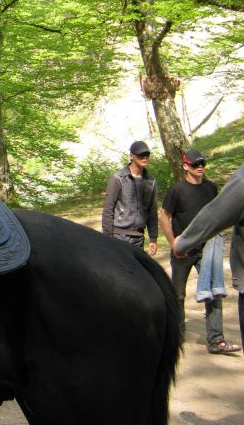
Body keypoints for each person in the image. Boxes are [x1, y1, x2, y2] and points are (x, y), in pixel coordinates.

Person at [159, 150, 240, 353]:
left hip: (207, 250)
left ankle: (216, 340)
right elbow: (164, 217)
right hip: (182, 252)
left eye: (202, 163)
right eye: (195, 164)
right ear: (185, 166)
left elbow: (219, 215)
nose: (200, 167)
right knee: (177, 294)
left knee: (214, 292)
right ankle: (176, 336)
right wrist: (173, 243)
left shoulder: (211, 188)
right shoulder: (177, 190)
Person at [101, 140, 159, 255]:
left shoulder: (150, 181)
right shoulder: (118, 178)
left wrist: (153, 238)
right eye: (140, 154)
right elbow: (108, 209)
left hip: (138, 238)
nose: (144, 157)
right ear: (131, 156)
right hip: (118, 236)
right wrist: (108, 239)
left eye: (147, 154)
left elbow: (152, 212)